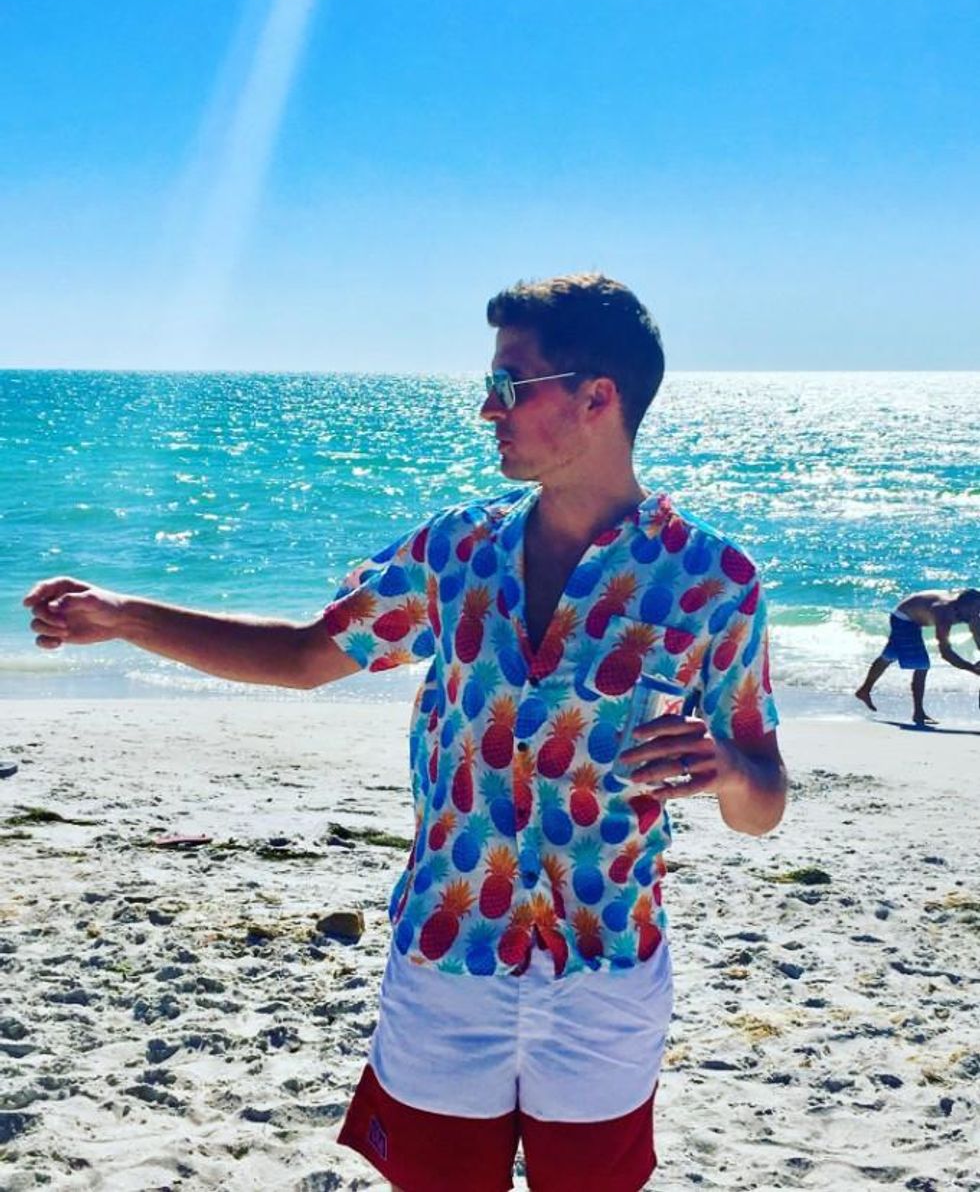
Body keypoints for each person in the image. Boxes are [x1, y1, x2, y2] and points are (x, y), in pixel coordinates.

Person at [25, 274, 787, 1192]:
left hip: (606, 966)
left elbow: (763, 803)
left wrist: (729, 769)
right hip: (448, 953)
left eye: (510, 383)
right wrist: (127, 617)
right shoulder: (457, 550)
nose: (487, 408)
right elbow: (305, 656)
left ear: (597, 397)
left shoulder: (712, 580)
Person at [855, 589, 980, 726]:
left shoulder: (971, 613)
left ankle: (864, 690)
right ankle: (918, 712)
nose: (977, 612)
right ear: (962, 606)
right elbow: (945, 653)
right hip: (904, 618)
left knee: (890, 655)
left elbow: (977, 634)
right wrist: (972, 669)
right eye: (975, 608)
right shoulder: (943, 613)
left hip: (913, 615)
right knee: (922, 665)